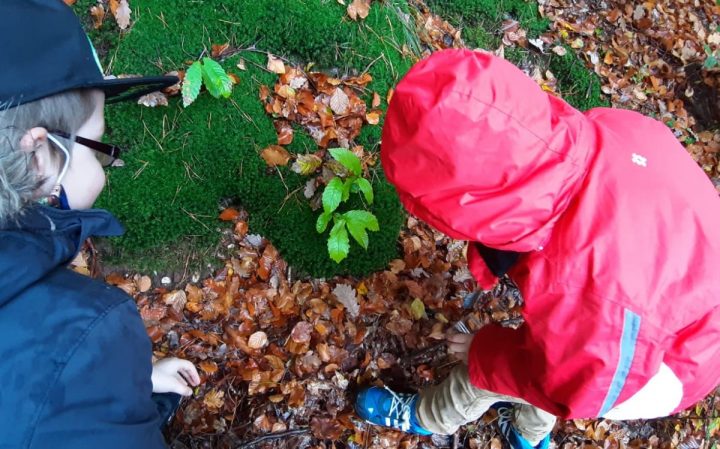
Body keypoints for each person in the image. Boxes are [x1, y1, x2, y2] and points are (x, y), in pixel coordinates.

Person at [356, 49, 720, 449]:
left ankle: (429, 417)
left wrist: (484, 351)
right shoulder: (609, 131)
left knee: (493, 375)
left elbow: (569, 381)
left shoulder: (588, 297)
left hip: (669, 364)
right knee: (558, 347)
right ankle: (528, 435)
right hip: (675, 285)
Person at [0, 1, 200, 448]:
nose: (106, 165)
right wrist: (95, 374)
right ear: (38, 156)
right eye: (97, 145)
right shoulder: (85, 333)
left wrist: (126, 384)